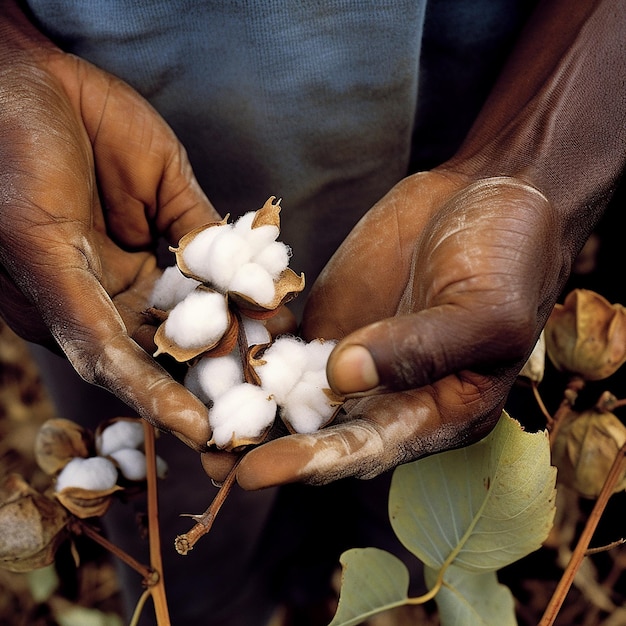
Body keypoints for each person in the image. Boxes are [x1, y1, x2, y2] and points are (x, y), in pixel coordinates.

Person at [0, 0, 624, 624]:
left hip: (486, 83)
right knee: (176, 475)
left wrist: (527, 166)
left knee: (398, 445)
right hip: (113, 155)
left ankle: (351, 595)